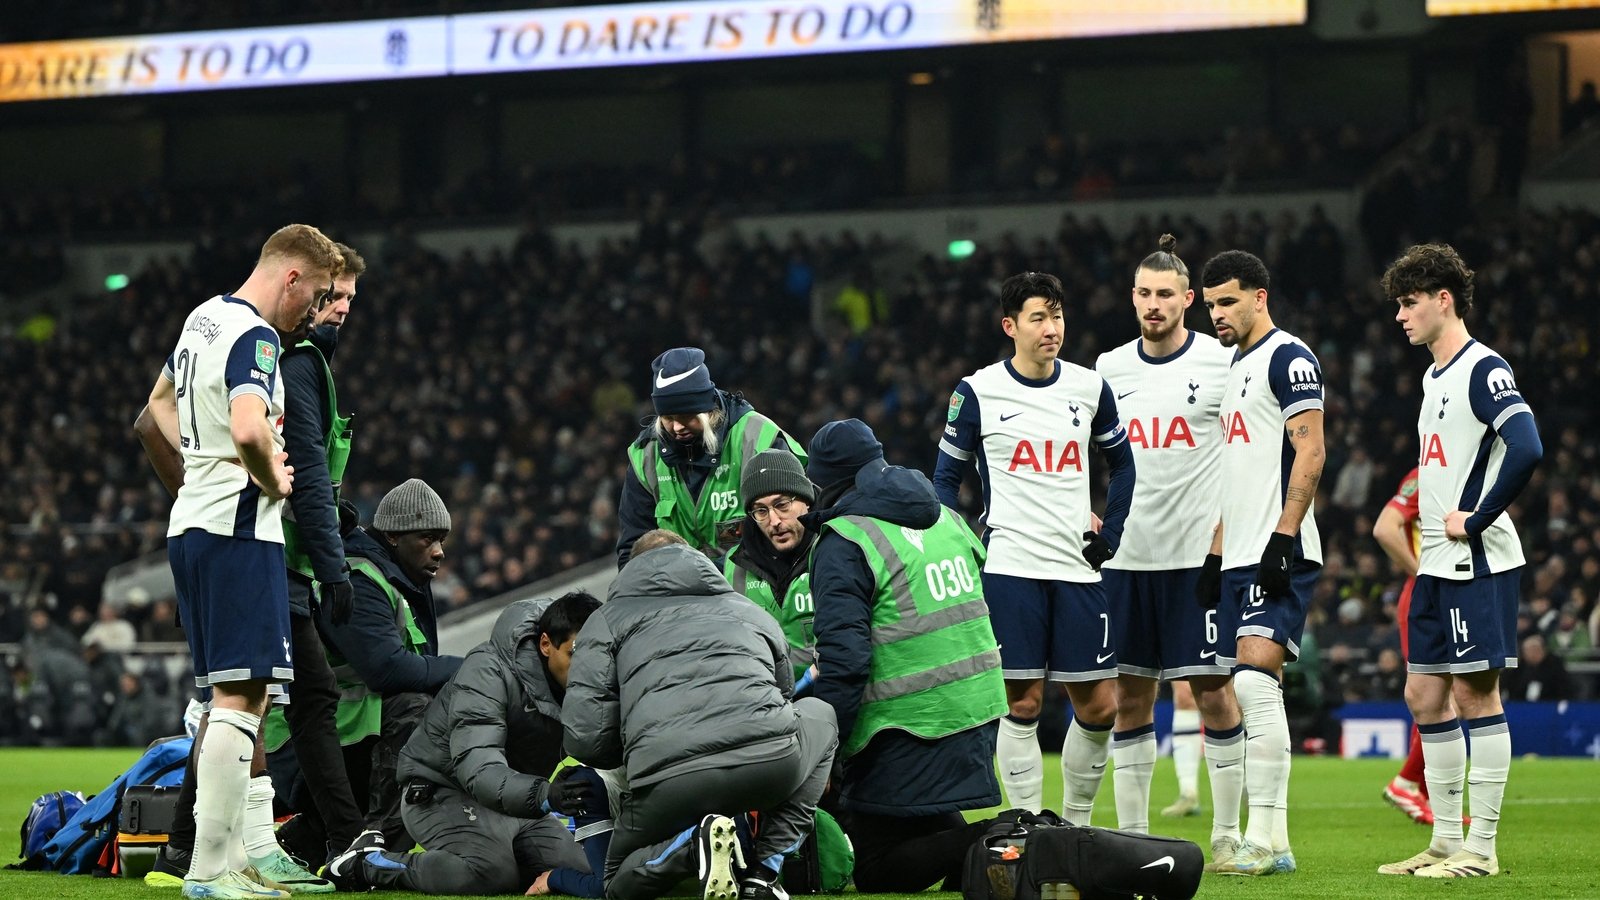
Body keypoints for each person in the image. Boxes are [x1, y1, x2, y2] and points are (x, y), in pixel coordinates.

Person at [140, 243, 368, 892]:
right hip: (240, 533)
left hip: (194, 524)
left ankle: (236, 857)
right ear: (292, 277)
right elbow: (247, 429)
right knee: (241, 702)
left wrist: (200, 475)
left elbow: (155, 405)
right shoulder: (258, 339)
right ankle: (211, 869)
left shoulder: (202, 318)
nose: (319, 309)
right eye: (319, 294)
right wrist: (273, 479)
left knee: (235, 696)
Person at [932, 271, 1135, 823]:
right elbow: (944, 483)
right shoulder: (976, 391)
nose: (1052, 328)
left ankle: (1075, 824)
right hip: (1009, 567)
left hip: (1077, 566)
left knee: (1099, 706)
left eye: (1058, 316)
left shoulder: (1089, 386)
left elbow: (1123, 464)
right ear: (1010, 325)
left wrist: (1110, 534)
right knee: (1020, 704)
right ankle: (1026, 827)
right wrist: (964, 547)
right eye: (1039, 317)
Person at [1377, 243, 1542, 878]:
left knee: (1475, 694)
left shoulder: (1483, 368)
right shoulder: (1434, 375)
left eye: (1409, 302)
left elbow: (1526, 446)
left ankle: (1483, 849)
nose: (1401, 315)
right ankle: (1446, 840)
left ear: (1444, 300)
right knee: (1424, 692)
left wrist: (1476, 518)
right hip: (1437, 568)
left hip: (1477, 560)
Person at [564, 529, 838, 900]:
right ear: (695, 561)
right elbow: (784, 693)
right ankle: (763, 873)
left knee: (613, 881)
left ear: (631, 569)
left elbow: (584, 738)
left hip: (669, 777)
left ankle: (696, 845)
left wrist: (639, 749)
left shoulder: (604, 621)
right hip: (767, 766)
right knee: (820, 714)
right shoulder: (748, 609)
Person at [1094, 236, 1245, 858]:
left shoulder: (1221, 362)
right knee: (1129, 696)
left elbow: (1247, 452)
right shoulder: (1106, 369)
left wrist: (1225, 538)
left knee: (1213, 691)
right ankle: (1132, 837)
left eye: (1165, 295)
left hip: (1195, 561)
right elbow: (1083, 457)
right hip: (1127, 560)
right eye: (1144, 294)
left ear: (1189, 299)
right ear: (1133, 298)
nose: (1153, 305)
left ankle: (1229, 835)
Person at [811, 419, 1007, 892]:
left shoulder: (846, 540)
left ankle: (997, 835)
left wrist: (824, 751)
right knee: (921, 825)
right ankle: (978, 849)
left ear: (827, 481)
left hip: (907, 723)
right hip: (977, 709)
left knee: (874, 868)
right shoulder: (947, 515)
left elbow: (847, 663)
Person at [325, 592, 601, 894]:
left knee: (580, 872)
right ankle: (367, 862)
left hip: (515, 798)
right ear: (546, 644)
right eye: (576, 654)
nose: (588, 667)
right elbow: (478, 769)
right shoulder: (487, 671)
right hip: (442, 791)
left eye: (596, 653)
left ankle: (508, 858)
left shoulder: (590, 679)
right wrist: (547, 795)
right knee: (491, 873)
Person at [1197, 248, 1325, 877]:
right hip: (1239, 553)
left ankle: (1269, 838)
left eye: (1228, 300)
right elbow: (1237, 471)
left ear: (1259, 297)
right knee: (1242, 687)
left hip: (1279, 546)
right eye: (1211, 302)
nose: (1217, 312)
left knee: (1253, 683)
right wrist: (1215, 554)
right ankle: (1270, 844)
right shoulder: (1231, 370)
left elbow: (1311, 451)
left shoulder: (1288, 357)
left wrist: (1284, 536)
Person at [283, 479, 465, 863]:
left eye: (442, 540)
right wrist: (471, 668)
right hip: (313, 747)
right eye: (428, 538)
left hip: (349, 734)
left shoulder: (399, 576)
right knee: (420, 710)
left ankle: (324, 838)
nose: (439, 552)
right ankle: (372, 849)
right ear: (395, 537)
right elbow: (386, 670)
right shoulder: (360, 578)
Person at [617, 347, 806, 567]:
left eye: (687, 416)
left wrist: (705, 576)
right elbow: (633, 550)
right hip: (681, 592)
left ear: (708, 409)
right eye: (667, 417)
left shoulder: (756, 438)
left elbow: (792, 527)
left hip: (756, 585)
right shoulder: (645, 457)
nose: (677, 427)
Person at [1372, 467, 1437, 825]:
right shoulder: (1426, 472)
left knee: (1436, 699)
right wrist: (1420, 573)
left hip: (1441, 594)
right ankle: (1407, 782)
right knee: (1438, 697)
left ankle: (1424, 796)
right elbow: (1385, 527)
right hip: (1426, 597)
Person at [724, 449, 819, 685]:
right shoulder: (732, 567)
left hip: (834, 701)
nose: (774, 521)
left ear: (805, 500)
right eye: (761, 510)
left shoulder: (835, 549)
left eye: (782, 505)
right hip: (764, 706)